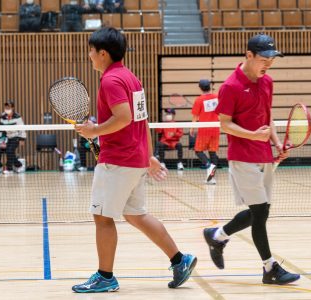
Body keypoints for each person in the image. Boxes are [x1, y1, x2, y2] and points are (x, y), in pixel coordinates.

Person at [73, 27, 197, 293]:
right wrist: (149, 155)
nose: (90, 56)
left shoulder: (110, 81)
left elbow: (125, 117)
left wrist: (93, 130)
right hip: (135, 158)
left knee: (102, 217)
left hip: (118, 161)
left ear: (103, 53)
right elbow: (141, 120)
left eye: (92, 51)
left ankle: (105, 276)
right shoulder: (131, 78)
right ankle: (179, 260)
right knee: (136, 215)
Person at [203, 34, 300, 285]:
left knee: (262, 212)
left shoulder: (267, 81)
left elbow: (268, 118)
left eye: (272, 58)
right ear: (249, 55)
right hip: (242, 156)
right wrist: (252, 136)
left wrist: (277, 143)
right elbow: (225, 124)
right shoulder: (230, 86)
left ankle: (218, 235)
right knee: (259, 212)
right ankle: (270, 268)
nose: (268, 63)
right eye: (264, 58)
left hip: (264, 154)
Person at [190, 79, 220, 184]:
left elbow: (195, 116)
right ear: (209, 87)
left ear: (200, 88)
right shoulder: (217, 97)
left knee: (198, 151)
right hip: (216, 128)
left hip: (204, 129)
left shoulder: (199, 100)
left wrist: (192, 128)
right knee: (213, 152)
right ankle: (212, 178)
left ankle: (208, 166)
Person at [0, 100, 26, 174]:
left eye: (9, 107)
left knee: (9, 151)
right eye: (6, 107)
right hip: (6, 137)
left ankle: (9, 169)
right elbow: (1, 128)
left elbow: (22, 128)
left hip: (15, 136)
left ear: (13, 107)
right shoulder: (3, 116)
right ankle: (19, 165)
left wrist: (22, 139)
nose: (7, 108)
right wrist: (2, 140)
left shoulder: (17, 116)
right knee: (3, 151)